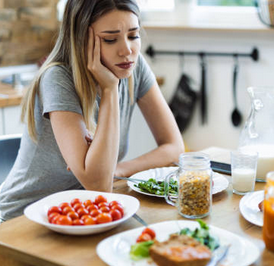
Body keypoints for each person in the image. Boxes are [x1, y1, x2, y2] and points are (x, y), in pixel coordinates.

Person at [0, 0, 184, 222]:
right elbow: (98, 185)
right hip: (22, 220)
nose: (127, 50)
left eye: (133, 35)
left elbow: (174, 147)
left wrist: (118, 169)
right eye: (110, 39)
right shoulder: (58, 78)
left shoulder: (134, 66)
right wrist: (110, 90)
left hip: (81, 212)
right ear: (81, 40)